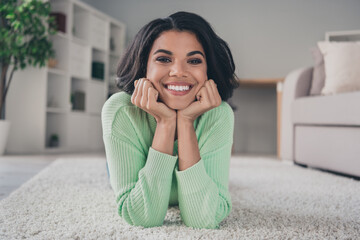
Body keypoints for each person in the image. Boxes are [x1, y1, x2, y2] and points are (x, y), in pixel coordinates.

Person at [101, 11, 238, 229]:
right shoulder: (120, 110)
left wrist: (185, 122)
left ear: (207, 70)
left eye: (193, 60)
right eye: (164, 59)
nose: (178, 71)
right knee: (113, 173)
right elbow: (143, 217)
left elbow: (203, 220)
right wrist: (165, 123)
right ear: (144, 65)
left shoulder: (218, 114)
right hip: (131, 148)